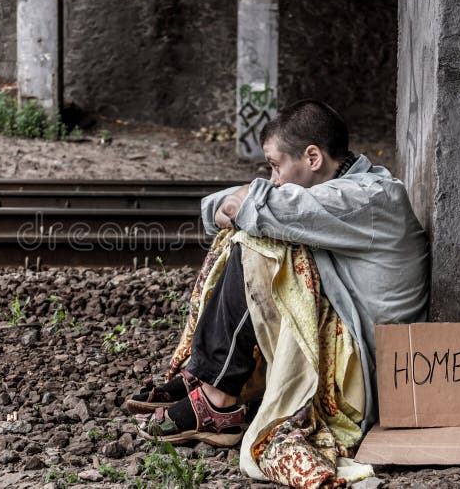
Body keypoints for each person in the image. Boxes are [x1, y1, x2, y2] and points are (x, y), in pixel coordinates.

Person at [127, 99, 429, 483]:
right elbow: (230, 206)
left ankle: (217, 397)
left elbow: (256, 207)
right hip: (342, 354)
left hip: (364, 386)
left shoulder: (366, 198)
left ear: (313, 157)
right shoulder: (336, 192)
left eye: (275, 166)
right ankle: (204, 376)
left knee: (262, 248)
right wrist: (239, 205)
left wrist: (242, 206)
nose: (272, 179)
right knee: (260, 234)